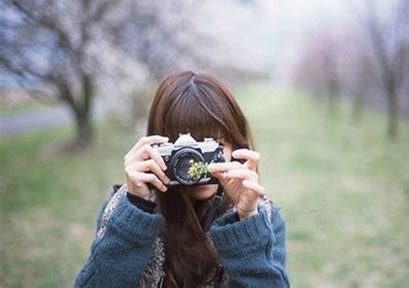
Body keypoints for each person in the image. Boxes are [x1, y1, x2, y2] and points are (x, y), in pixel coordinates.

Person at [75, 71, 290, 287]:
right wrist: (136, 210)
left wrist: (247, 222)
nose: (196, 164)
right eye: (184, 151)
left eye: (212, 145)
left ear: (236, 146)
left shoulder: (262, 218)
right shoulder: (124, 212)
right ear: (156, 149)